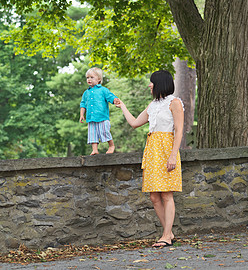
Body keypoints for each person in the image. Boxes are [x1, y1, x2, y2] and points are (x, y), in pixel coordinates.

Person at [114, 70, 184, 248]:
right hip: (152, 150)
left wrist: (173, 155)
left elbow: (179, 131)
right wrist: (122, 105)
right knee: (154, 196)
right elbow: (135, 123)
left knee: (167, 194)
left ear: (160, 83)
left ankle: (166, 235)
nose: (149, 85)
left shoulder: (174, 103)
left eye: (152, 82)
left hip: (167, 148)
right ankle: (169, 233)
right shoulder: (153, 105)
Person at [79, 67, 118, 155]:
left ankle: (111, 146)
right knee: (92, 134)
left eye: (92, 77)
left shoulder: (103, 90)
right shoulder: (86, 93)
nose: (89, 79)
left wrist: (114, 100)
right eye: (87, 77)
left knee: (105, 131)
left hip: (102, 117)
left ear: (99, 79)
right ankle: (95, 150)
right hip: (91, 117)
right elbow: (83, 104)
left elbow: (110, 96)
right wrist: (82, 115)